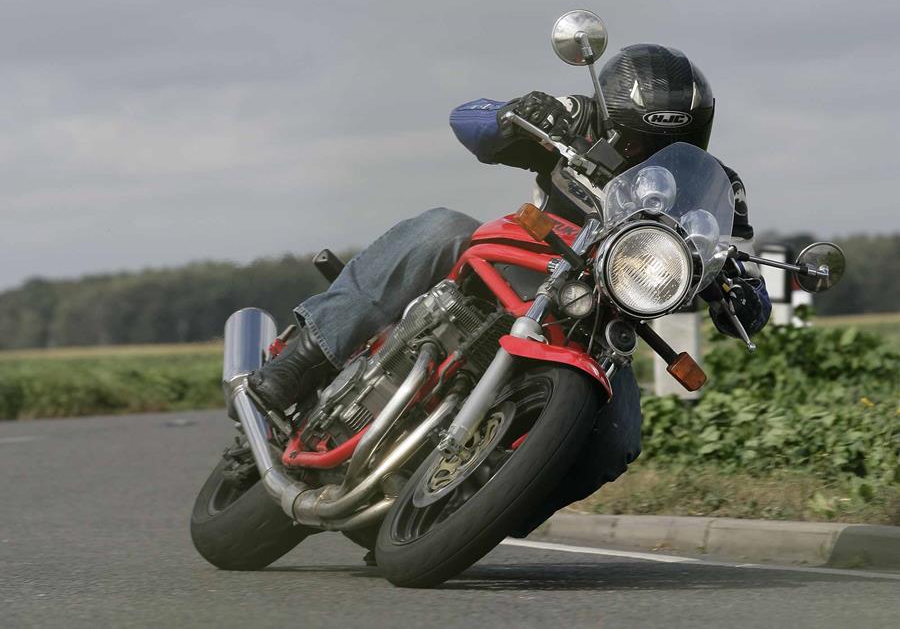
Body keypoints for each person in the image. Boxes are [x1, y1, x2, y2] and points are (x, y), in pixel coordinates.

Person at [247, 44, 771, 532]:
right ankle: (302, 360)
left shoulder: (719, 188)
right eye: (636, 140)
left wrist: (746, 295)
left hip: (601, 318)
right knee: (441, 228)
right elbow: (467, 120)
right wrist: (512, 115)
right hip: (525, 256)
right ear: (611, 121)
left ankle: (485, 515)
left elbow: (731, 258)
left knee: (619, 438)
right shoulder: (579, 118)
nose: (647, 154)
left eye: (670, 144)